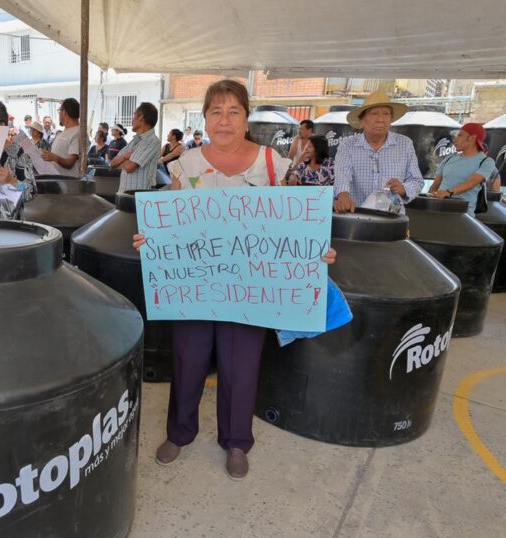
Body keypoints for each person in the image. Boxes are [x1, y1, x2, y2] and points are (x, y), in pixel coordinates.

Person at [131, 79, 334, 480]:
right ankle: (180, 433)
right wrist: (150, 239)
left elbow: (294, 221)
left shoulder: (271, 162)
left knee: (242, 364)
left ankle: (237, 441)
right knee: (187, 358)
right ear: (204, 118)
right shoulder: (185, 164)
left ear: (245, 118)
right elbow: (172, 218)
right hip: (195, 283)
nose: (224, 120)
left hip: (250, 287)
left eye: (233, 111)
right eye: (215, 112)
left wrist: (317, 250)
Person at [334, 91, 424, 213]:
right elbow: (342, 176)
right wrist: (343, 195)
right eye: (374, 113)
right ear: (362, 121)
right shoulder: (347, 145)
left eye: (386, 114)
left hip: (393, 218)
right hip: (357, 216)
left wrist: (404, 188)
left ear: (391, 119)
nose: (380, 119)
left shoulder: (405, 144)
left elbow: (417, 180)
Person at [428, 123, 496, 215]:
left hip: (463, 215)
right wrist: (429, 202)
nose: (455, 140)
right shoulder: (449, 158)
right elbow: (435, 184)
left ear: (472, 138)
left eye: (460, 135)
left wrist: (448, 192)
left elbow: (471, 183)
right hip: (439, 212)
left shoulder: (486, 161)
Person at [110, 102, 161, 191]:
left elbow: (130, 167)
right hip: (124, 194)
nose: (132, 120)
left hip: (139, 198)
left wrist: (125, 158)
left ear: (141, 117)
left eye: (134, 116)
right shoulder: (135, 140)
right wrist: (126, 156)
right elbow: (113, 163)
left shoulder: (152, 140)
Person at [41, 98, 80, 177]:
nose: (59, 114)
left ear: (64, 112)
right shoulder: (66, 131)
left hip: (67, 184)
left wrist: (54, 157)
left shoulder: (78, 132)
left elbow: (70, 163)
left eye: (59, 110)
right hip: (57, 182)